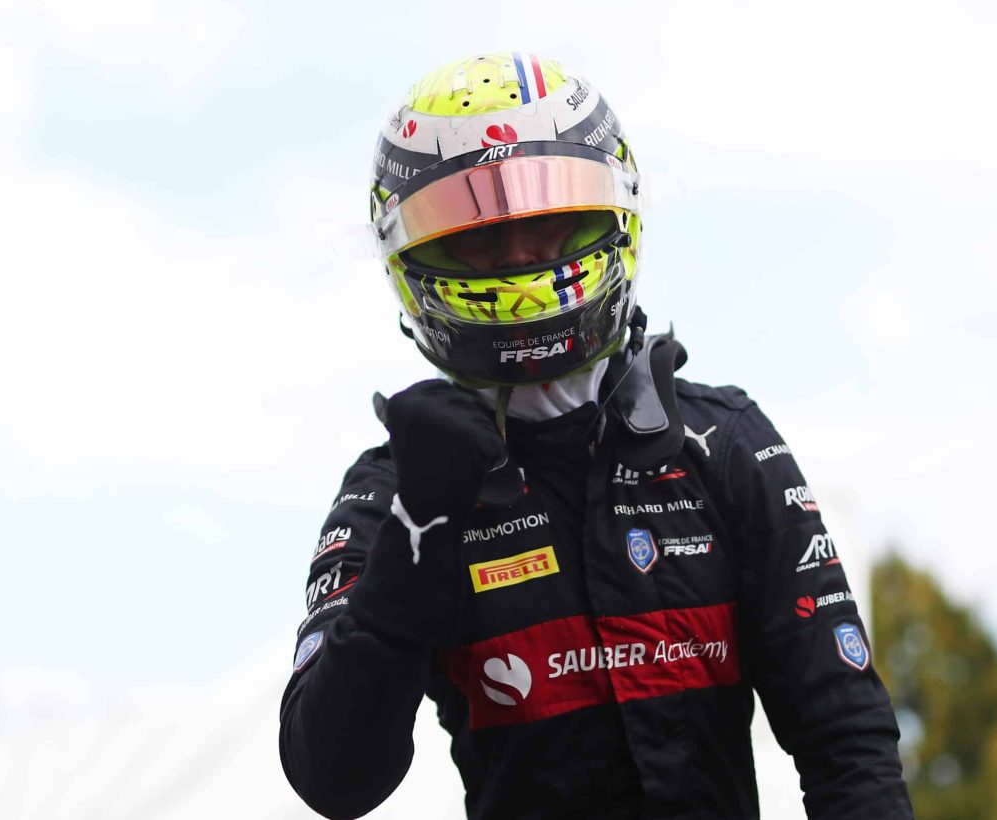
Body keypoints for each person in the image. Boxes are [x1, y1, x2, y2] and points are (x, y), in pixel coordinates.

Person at [278, 52, 914, 820]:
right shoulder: (394, 489)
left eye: (547, 223)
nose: (518, 260)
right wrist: (418, 532)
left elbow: (847, 743)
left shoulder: (727, 443)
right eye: (479, 239)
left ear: (615, 211)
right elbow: (332, 778)